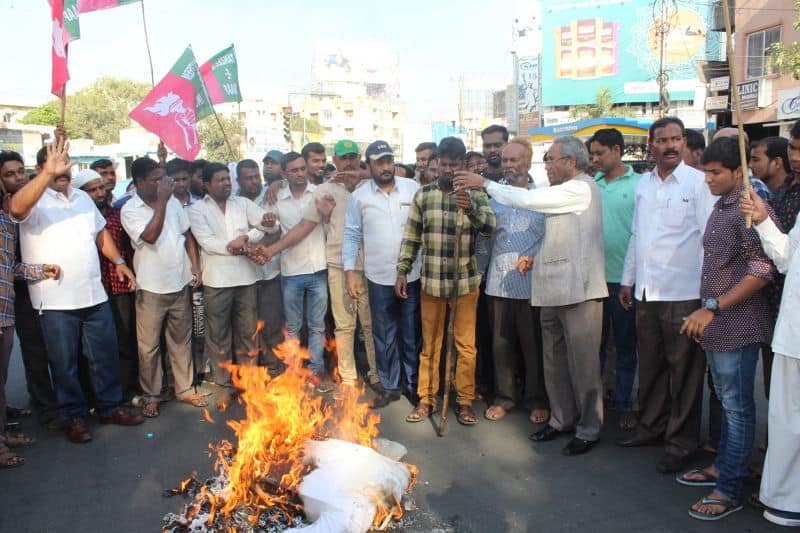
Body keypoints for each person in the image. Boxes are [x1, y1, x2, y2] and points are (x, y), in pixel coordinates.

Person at [454, 135, 607, 456]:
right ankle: (561, 419)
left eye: (551, 159)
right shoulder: (558, 190)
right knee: (553, 362)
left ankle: (589, 429)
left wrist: (485, 183)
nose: (546, 165)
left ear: (570, 162)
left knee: (583, 366)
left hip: (578, 291)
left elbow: (528, 201)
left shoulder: (580, 188)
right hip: (550, 288)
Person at [9, 136, 144, 444]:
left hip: (93, 295)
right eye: (56, 164)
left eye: (66, 164)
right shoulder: (33, 198)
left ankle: (109, 407)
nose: (63, 170)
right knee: (65, 364)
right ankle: (74, 417)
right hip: (54, 300)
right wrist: (47, 173)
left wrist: (119, 261)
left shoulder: (82, 198)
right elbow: (16, 209)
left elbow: (100, 234)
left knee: (105, 356)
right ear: (42, 167)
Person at [674, 137, 776, 521]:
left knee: (737, 408)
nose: (708, 179)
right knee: (727, 401)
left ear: (738, 172)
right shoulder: (722, 205)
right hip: (717, 326)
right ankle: (724, 468)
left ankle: (729, 489)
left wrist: (713, 307)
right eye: (706, 172)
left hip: (738, 324)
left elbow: (762, 270)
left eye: (716, 173)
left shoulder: (748, 209)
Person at [617, 117, 716, 473]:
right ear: (651, 144)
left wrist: (707, 297)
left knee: (685, 373)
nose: (671, 145)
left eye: (677, 138)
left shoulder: (698, 183)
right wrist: (628, 280)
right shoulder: (644, 184)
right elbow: (637, 235)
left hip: (684, 292)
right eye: (663, 140)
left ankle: (681, 444)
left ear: (684, 142)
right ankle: (652, 427)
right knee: (652, 366)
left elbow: (708, 239)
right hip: (647, 292)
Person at [251, 140, 381, 392]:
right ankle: (344, 376)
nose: (349, 162)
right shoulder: (323, 192)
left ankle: (375, 374)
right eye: (343, 158)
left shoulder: (371, 185)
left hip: (370, 266)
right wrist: (269, 250)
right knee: (338, 326)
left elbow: (397, 173)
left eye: (353, 157)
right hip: (334, 266)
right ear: (336, 160)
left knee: (369, 324)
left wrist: (363, 175)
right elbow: (302, 227)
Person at [398, 136, 495, 426]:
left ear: (463, 164)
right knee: (430, 346)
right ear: (437, 163)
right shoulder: (424, 196)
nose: (449, 170)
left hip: (464, 283)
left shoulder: (474, 194)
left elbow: (490, 227)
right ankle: (427, 399)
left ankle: (464, 401)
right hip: (432, 283)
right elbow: (412, 237)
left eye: (455, 165)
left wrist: (471, 208)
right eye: (444, 164)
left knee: (466, 347)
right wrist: (403, 270)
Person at [121, 157, 206, 418]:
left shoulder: (173, 203)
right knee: (149, 347)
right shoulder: (131, 209)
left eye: (162, 178)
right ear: (139, 182)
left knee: (181, 341)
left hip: (179, 282)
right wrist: (162, 201)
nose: (162, 184)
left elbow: (186, 235)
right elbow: (150, 236)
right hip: (151, 287)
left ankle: (184, 389)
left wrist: (195, 265)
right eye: (155, 180)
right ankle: (152, 395)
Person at [343, 140, 421, 408]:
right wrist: (349, 272)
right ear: (369, 166)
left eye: (389, 161)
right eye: (379, 162)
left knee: (411, 333)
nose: (385, 167)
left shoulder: (412, 188)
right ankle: (389, 386)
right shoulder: (359, 196)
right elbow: (352, 235)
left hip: (412, 274)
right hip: (378, 277)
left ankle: (413, 385)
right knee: (384, 335)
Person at [740, 179, 800, 527]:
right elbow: (787, 259)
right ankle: (785, 501)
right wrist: (763, 220)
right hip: (792, 333)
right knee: (786, 422)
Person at [187, 162, 267, 410]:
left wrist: (246, 238)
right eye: (220, 180)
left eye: (227, 179)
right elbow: (206, 242)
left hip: (246, 278)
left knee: (248, 333)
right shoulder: (197, 209)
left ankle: (249, 384)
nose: (226, 184)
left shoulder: (242, 203)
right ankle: (224, 385)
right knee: (218, 336)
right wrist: (234, 247)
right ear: (207, 184)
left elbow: (267, 225)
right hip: (217, 280)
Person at [481, 138, 548, 424]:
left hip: (532, 285)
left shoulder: (543, 198)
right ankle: (505, 398)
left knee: (534, 348)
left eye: (514, 160)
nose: (508, 165)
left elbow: (550, 238)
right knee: (501, 346)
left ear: (528, 163)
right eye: (505, 160)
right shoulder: (494, 200)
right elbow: (484, 240)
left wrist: (534, 256)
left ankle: (537, 399)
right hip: (498, 283)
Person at [0, 149, 60, 467]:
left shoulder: (13, 216)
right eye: (9, 174)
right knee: (34, 352)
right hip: (12, 304)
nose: (18, 178)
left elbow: (9, 266)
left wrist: (40, 270)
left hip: (12, 303)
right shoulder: (9, 212)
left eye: (20, 171)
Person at [588, 128, 641, 430]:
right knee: (595, 347)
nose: (594, 159)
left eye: (600, 153)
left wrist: (629, 280)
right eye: (592, 154)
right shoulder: (589, 186)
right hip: (592, 281)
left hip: (624, 282)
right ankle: (594, 405)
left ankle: (624, 404)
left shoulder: (640, 185)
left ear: (618, 151)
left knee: (624, 346)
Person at [267, 152, 333, 391]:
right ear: (284, 174)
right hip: (291, 270)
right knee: (293, 327)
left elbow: (331, 226)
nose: (300, 173)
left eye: (302, 168)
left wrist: (328, 216)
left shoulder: (320, 193)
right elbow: (267, 227)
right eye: (294, 170)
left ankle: (315, 372)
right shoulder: (276, 197)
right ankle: (293, 372)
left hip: (318, 268)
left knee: (317, 326)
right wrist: (258, 233)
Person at [73, 168, 139, 400]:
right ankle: (92, 395)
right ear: (81, 193)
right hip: (89, 289)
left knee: (124, 339)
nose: (100, 193)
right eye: (93, 190)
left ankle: (126, 391)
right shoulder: (76, 219)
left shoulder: (117, 214)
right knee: (92, 347)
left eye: (101, 187)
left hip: (119, 286)